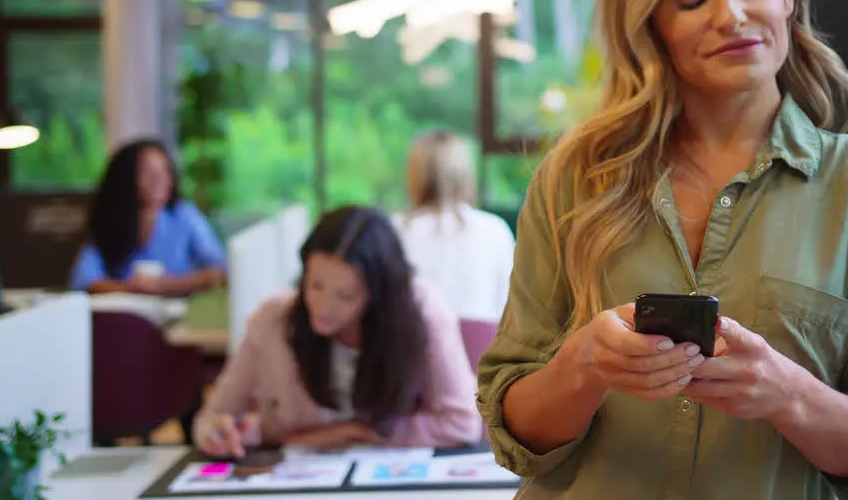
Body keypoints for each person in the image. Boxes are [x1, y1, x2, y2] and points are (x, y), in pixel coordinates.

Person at [477, 0, 848, 499]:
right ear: (652, 23)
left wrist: (786, 391)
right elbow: (513, 433)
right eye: (691, 0)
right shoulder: (575, 178)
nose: (731, 15)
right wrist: (585, 364)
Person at [195, 205, 481, 456]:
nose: (323, 307)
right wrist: (217, 433)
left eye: (345, 295)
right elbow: (211, 418)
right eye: (315, 285)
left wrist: (360, 434)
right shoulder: (275, 319)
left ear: (378, 294)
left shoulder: (421, 312)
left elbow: (461, 423)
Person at [70, 138, 226, 296]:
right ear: (126, 177)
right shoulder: (109, 221)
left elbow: (220, 271)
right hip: (128, 312)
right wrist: (130, 289)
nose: (159, 179)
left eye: (165, 170)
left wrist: (163, 285)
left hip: (177, 311)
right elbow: (85, 281)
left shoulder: (184, 216)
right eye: (147, 171)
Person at [394, 129, 516, 323]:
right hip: (482, 349)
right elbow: (510, 308)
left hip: (413, 346)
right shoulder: (495, 229)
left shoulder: (395, 230)